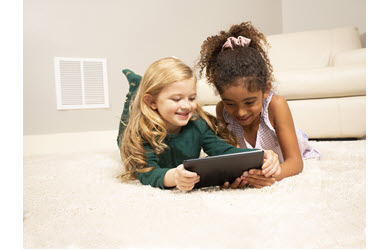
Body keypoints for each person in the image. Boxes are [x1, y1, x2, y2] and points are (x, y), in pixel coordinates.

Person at [118, 57, 281, 191]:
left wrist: (260, 155)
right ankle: (135, 85)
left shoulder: (196, 124)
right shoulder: (141, 131)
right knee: (131, 110)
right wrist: (174, 176)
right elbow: (147, 173)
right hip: (134, 126)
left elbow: (223, 150)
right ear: (152, 101)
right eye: (176, 99)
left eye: (191, 98)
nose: (187, 105)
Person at [197, 22, 320, 189]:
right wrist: (236, 177)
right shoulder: (222, 111)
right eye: (230, 103)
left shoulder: (276, 105)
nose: (240, 112)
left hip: (294, 157)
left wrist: (272, 177)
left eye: (249, 102)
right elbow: (234, 157)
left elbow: (295, 163)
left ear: (266, 90)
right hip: (261, 165)